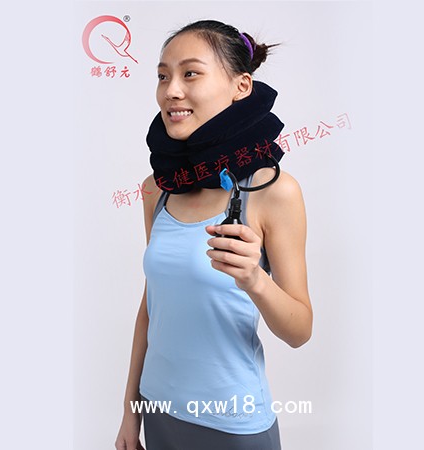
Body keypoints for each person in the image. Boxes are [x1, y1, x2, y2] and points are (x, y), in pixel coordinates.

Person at [115, 19, 312, 450]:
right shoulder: (157, 189)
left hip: (233, 424)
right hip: (158, 411)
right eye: (163, 76)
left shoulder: (273, 191)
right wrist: (131, 413)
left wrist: (255, 280)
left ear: (241, 86)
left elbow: (300, 331)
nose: (171, 90)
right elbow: (151, 308)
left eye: (190, 73)